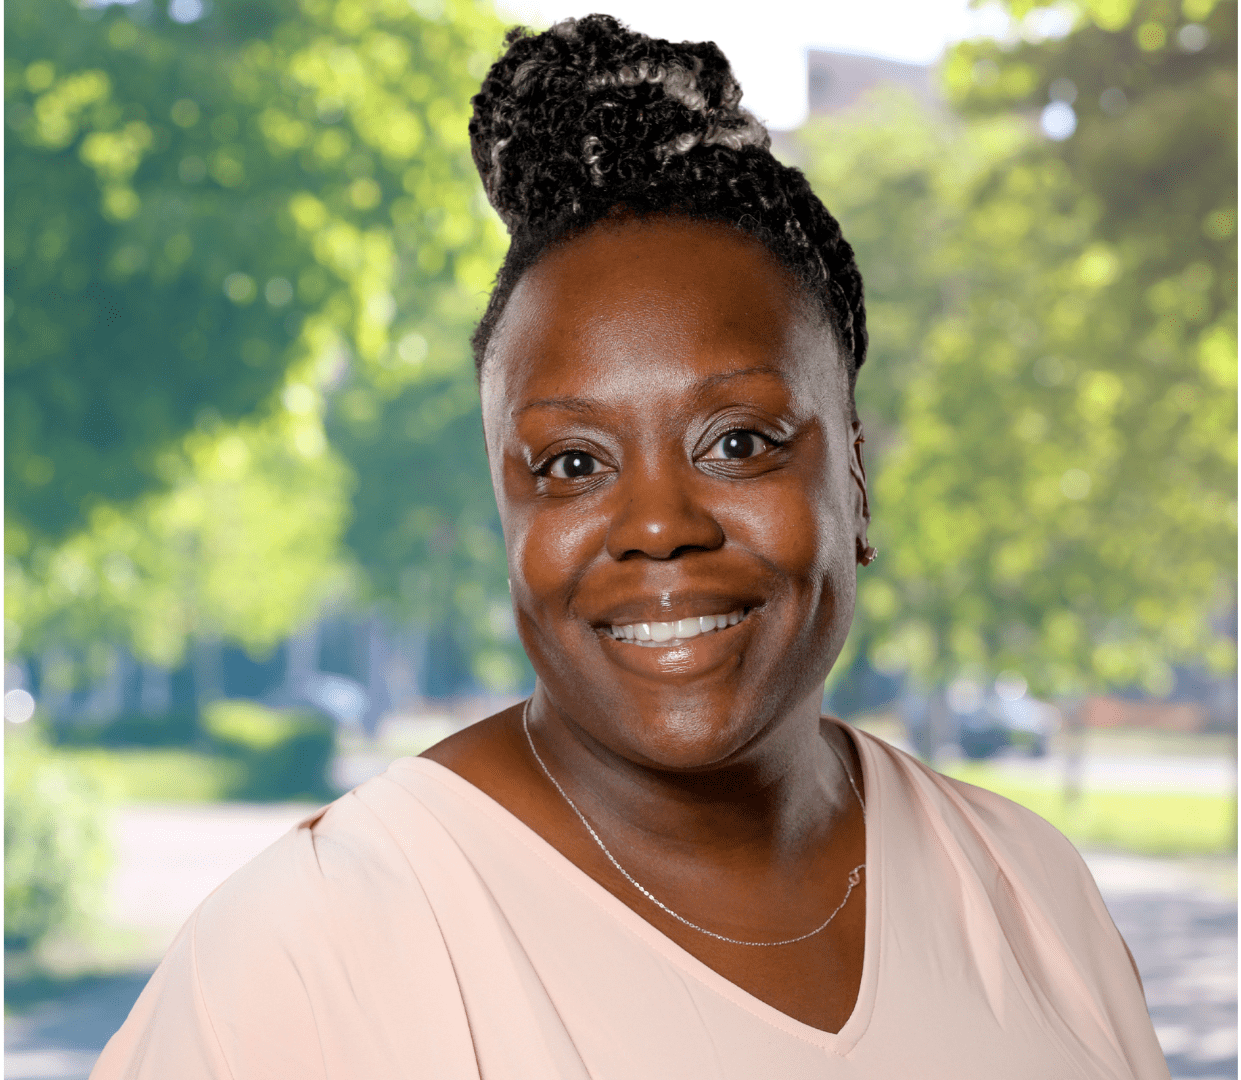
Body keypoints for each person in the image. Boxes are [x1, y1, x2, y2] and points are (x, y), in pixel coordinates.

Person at [92, 15, 1170, 1079]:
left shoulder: (1030, 893)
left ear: (852, 478)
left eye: (737, 442)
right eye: (570, 464)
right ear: (506, 516)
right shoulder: (314, 951)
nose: (658, 526)